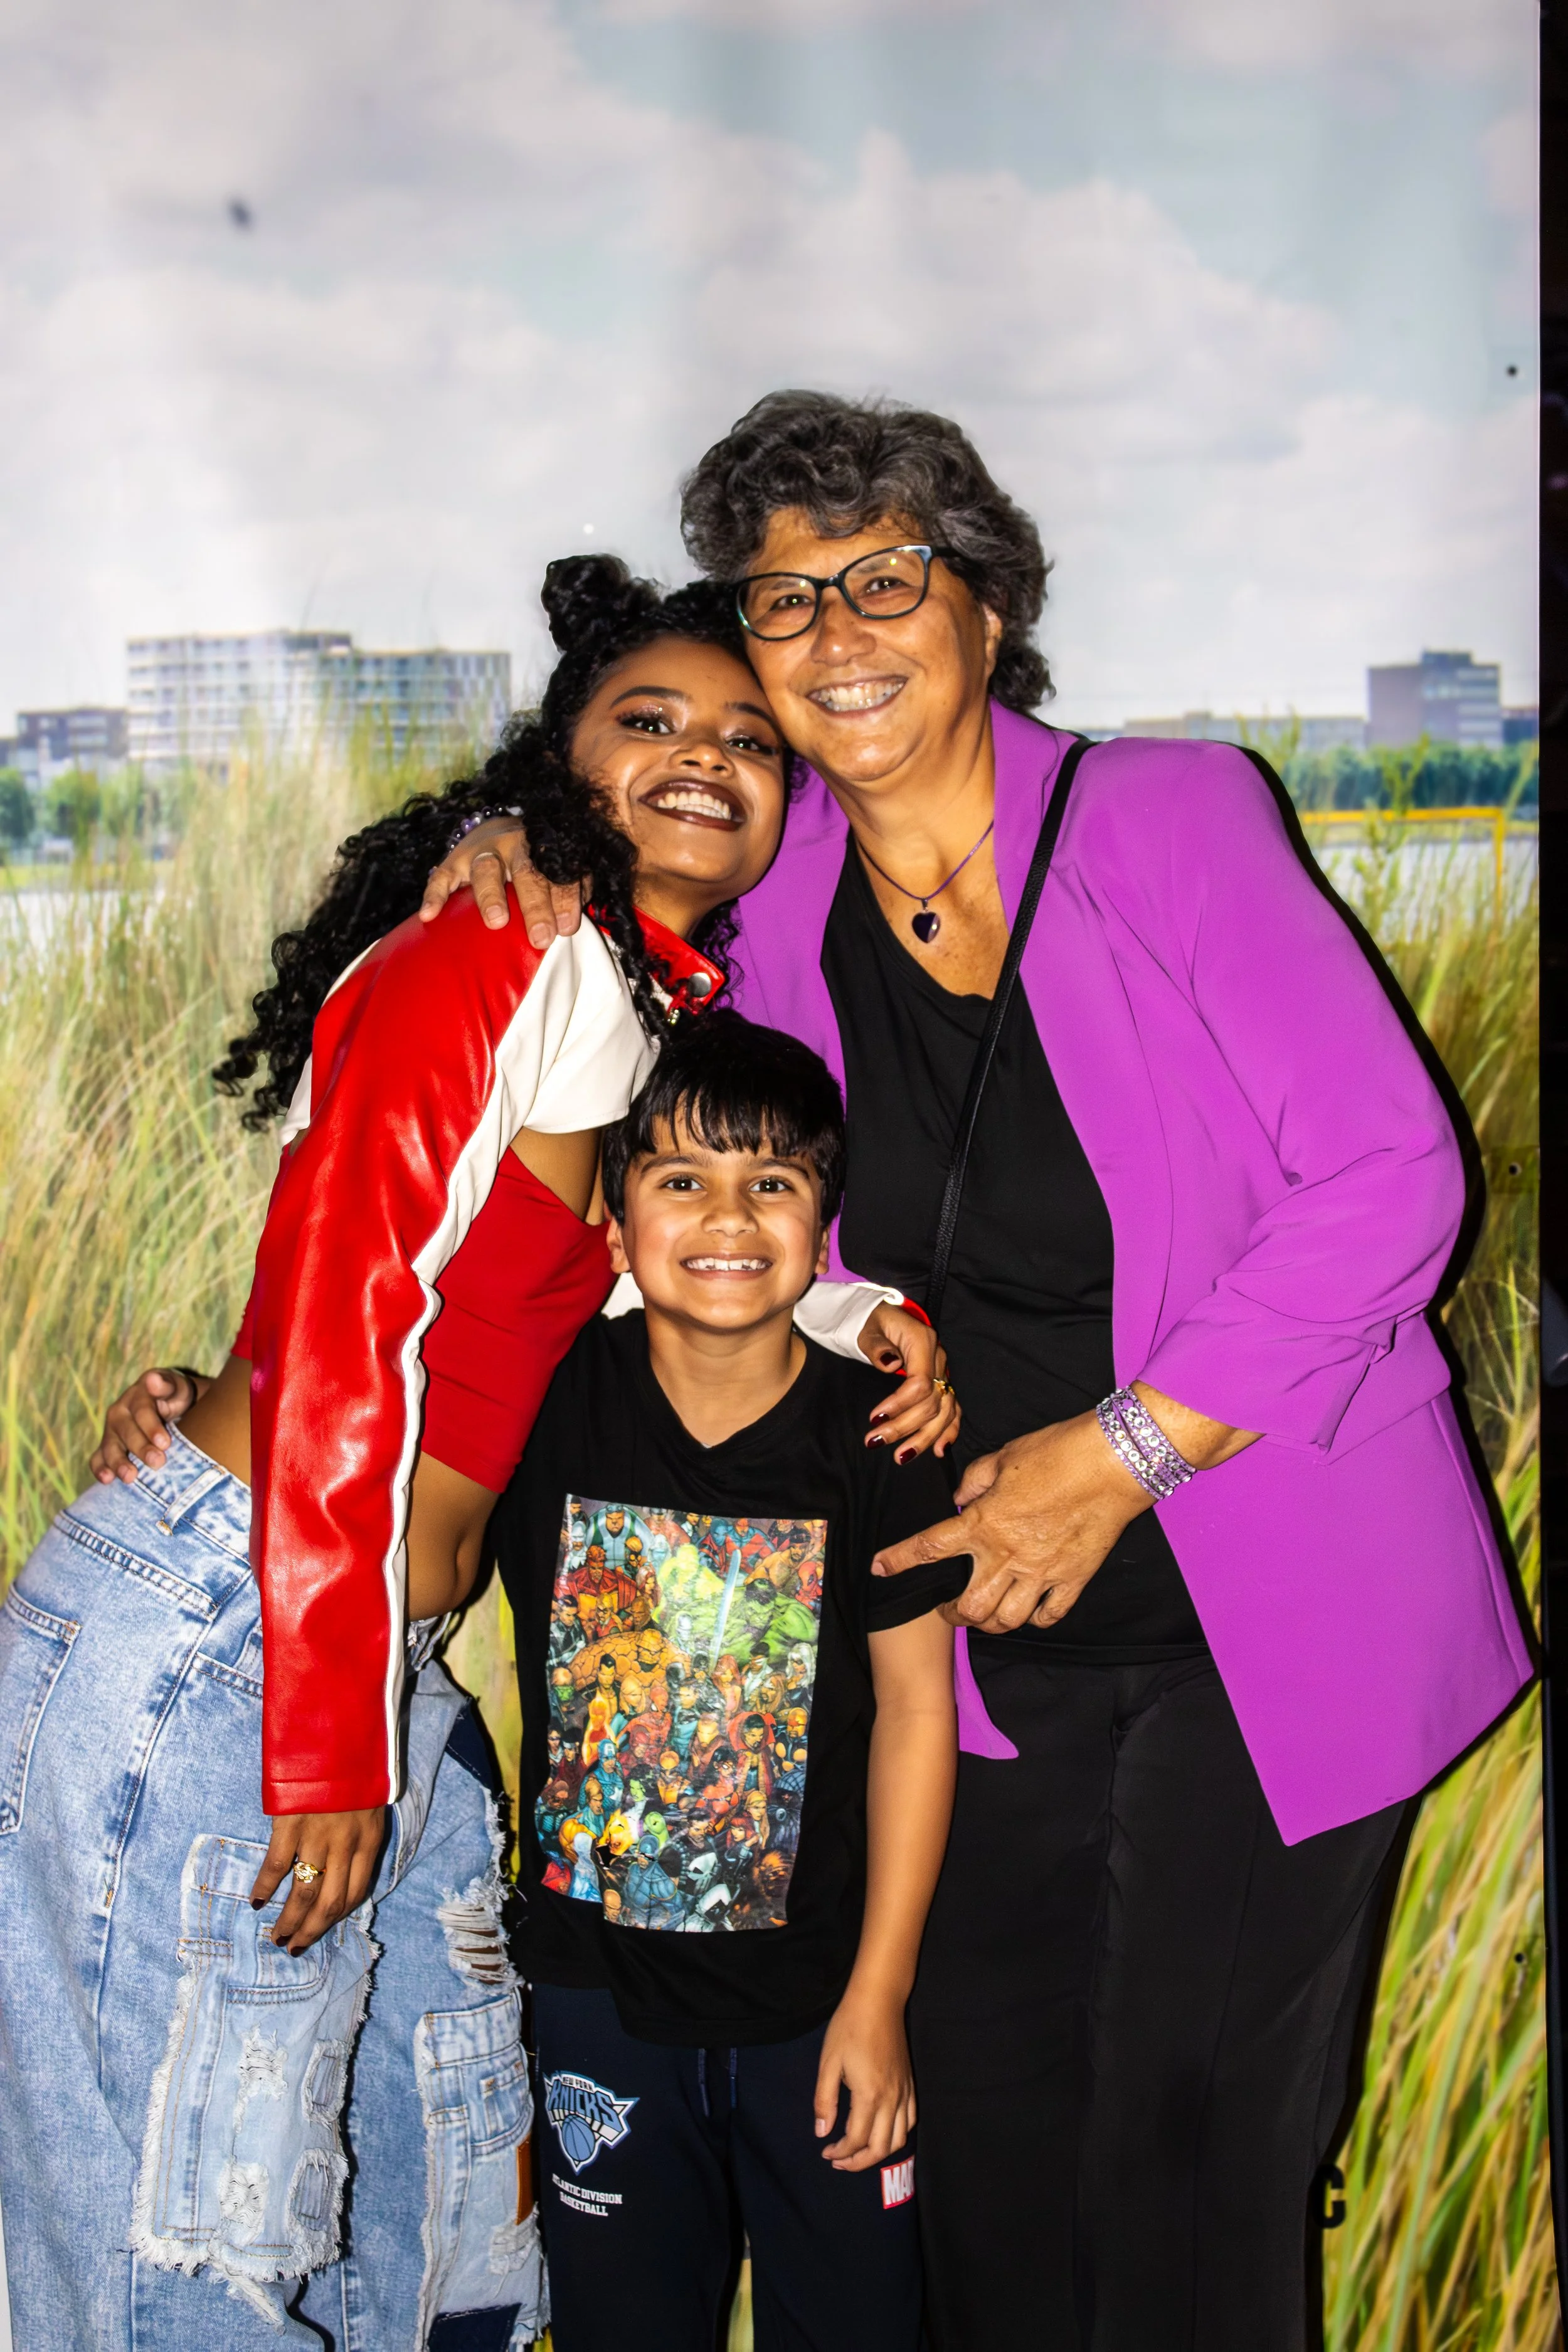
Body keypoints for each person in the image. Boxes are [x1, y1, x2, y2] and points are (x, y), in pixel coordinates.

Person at [426, 391, 1535, 2351]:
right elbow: (562, 1097)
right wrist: (505, 837)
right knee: (985, 2189)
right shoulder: (760, 912)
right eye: (782, 600)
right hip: (960, 1644)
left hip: (1252, 1612)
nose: (834, 633)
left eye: (882, 578)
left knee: (1191, 2171)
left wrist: (1111, 1454)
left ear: (982, 600)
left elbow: (1389, 1177)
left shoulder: (1172, 821)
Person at [1, 556, 955, 2351]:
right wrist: (319, 1716)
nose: (703, 755)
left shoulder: (615, 997)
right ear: (555, 758)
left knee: (435, 2243)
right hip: (259, 1645)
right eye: (648, 719)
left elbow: (596, 1291)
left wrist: (855, 1319)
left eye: (749, 738)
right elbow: (353, 1295)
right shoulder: (512, 938)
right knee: (178, 2266)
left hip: (366, 1655)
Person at [489, 1013, 964, 2351]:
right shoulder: (551, 1393)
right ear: (618, 1213)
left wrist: (877, 1997)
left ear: (822, 1220)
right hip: (594, 2000)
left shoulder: (875, 1435)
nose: (725, 1216)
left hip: (819, 2004)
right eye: (679, 1179)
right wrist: (190, 1400)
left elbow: (917, 1715)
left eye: (772, 1184)